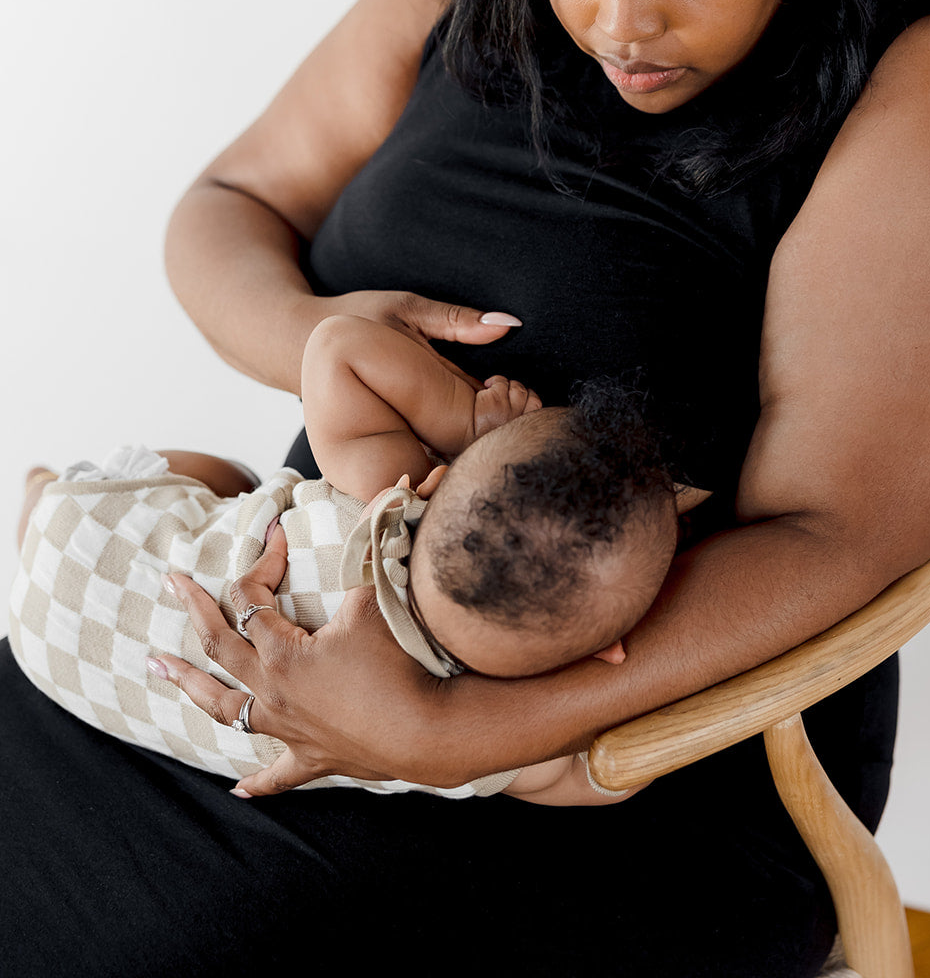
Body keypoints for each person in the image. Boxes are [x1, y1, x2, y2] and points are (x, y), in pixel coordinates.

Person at [1, 0, 930, 978]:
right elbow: (227, 210)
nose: (619, 16)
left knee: (197, 943)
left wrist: (446, 734)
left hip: (631, 763)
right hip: (314, 615)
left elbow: (839, 538)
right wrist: (324, 344)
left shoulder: (925, 90)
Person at [10, 315, 681, 803]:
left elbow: (336, 347)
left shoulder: (377, 499)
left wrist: (465, 422)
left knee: (223, 476)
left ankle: (35, 489)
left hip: (80, 544)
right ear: (610, 652)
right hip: (63, 671)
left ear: (439, 482)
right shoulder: (471, 752)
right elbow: (592, 779)